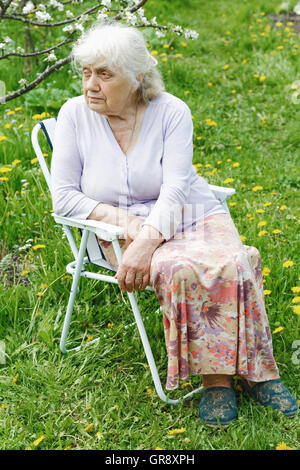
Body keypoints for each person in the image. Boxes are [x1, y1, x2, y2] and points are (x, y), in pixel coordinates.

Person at [51, 21, 298, 427]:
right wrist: (129, 224)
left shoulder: (172, 111)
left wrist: (149, 237)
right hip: (115, 228)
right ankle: (218, 381)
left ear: (136, 78)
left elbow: (177, 190)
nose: (90, 84)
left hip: (188, 212)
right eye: (85, 72)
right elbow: (64, 196)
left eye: (104, 74)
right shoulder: (74, 116)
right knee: (180, 269)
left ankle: (259, 371)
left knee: (237, 259)